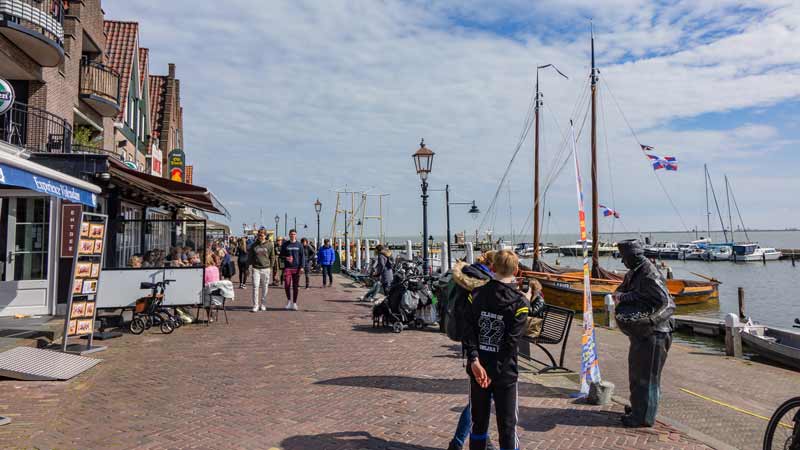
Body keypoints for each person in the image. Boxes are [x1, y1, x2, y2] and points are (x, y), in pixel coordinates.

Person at [462, 250, 530, 450]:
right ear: (516, 270)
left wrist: (474, 360)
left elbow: (469, 331)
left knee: (479, 424)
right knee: (507, 427)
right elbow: (511, 343)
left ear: (492, 268)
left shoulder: (475, 295)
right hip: (504, 373)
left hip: (478, 370)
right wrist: (493, 371)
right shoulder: (519, 303)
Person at [613, 239, 675, 428]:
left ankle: (644, 417)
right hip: (641, 332)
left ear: (634, 256)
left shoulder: (649, 274)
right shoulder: (634, 273)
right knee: (636, 373)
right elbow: (625, 292)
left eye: (625, 258)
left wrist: (650, 321)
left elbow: (668, 304)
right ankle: (639, 408)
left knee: (647, 377)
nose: (623, 262)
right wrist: (622, 297)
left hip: (655, 332)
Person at [446, 252, 496, 450]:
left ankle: (484, 438)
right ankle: (457, 443)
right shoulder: (481, 284)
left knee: (482, 397)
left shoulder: (470, 277)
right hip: (482, 347)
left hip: (474, 345)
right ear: (492, 266)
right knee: (479, 399)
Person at [247, 228, 276, 313]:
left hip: (266, 268)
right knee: (255, 287)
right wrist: (248, 268)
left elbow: (272, 256)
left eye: (262, 235)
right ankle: (255, 305)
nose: (260, 236)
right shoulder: (254, 245)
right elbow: (250, 257)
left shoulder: (270, 245)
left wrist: (271, 266)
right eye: (259, 235)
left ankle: (263, 304)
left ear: (265, 235)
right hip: (256, 268)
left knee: (265, 287)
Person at [280, 229, 305, 310]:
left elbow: (302, 256)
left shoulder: (299, 245)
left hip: (296, 268)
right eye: (291, 234)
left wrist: (302, 267)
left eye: (294, 234)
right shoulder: (285, 244)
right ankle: (288, 301)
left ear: (296, 235)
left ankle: (294, 303)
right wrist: (286, 258)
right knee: (287, 285)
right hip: (288, 268)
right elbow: (281, 256)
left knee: (295, 286)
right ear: (289, 235)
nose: (292, 235)